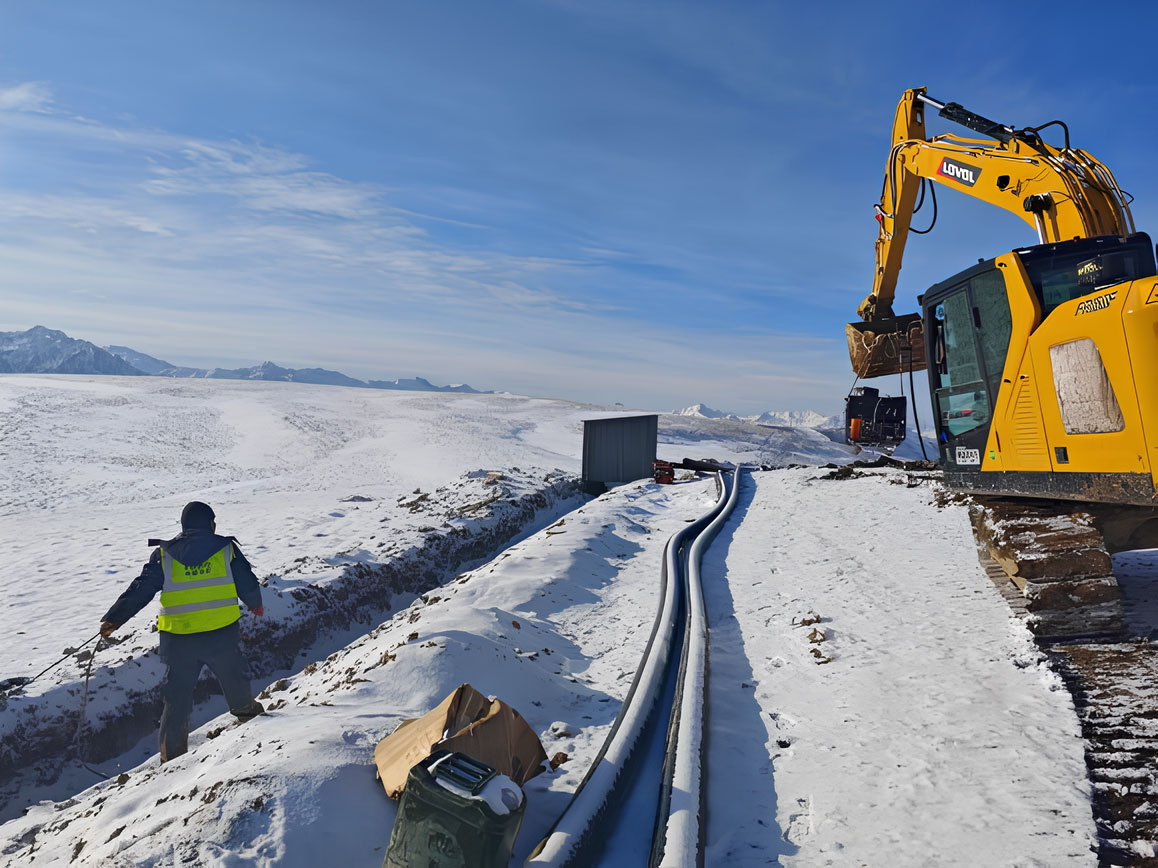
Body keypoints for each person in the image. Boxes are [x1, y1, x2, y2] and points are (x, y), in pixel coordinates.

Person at [100, 501, 266, 762]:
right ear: (210, 524)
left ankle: (172, 753)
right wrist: (255, 604)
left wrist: (115, 618)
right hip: (220, 632)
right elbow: (245, 579)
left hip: (179, 640)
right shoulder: (226, 550)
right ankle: (248, 716)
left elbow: (142, 588)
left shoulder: (164, 554)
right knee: (233, 675)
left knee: (177, 696)